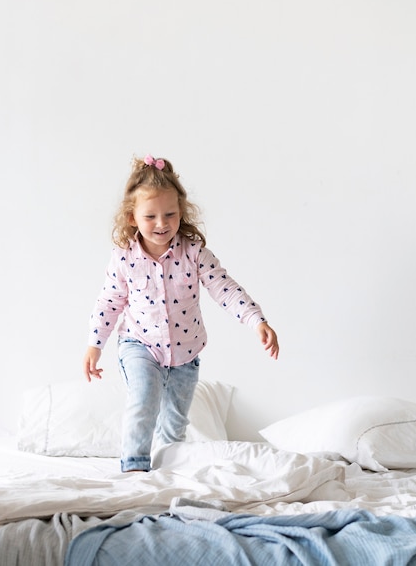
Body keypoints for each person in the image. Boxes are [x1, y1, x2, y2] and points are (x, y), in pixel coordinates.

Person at [82, 155, 279, 472]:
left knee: (174, 422)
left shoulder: (194, 253)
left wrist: (257, 320)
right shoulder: (124, 258)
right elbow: (109, 301)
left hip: (186, 354)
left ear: (181, 212)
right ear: (132, 217)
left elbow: (224, 288)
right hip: (139, 344)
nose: (162, 224)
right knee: (143, 399)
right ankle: (134, 468)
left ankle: (165, 471)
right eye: (151, 217)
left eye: (170, 214)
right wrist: (95, 344)